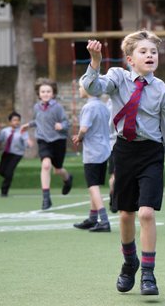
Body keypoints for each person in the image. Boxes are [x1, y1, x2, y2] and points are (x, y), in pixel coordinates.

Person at [83, 31, 165, 296]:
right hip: (124, 152)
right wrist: (95, 62)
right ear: (130, 59)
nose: (150, 55)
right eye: (143, 51)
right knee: (126, 214)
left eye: (154, 52)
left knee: (146, 213)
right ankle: (130, 263)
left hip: (151, 153)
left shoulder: (163, 91)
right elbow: (93, 88)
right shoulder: (117, 77)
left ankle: (148, 275)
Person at [21, 78, 73, 210]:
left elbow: (67, 123)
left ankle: (67, 179)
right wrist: (28, 125)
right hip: (43, 140)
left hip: (58, 141)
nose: (45, 94)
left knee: (58, 169)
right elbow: (38, 121)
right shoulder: (36, 107)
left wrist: (61, 125)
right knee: (45, 165)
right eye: (43, 91)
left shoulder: (58, 107)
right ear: (38, 93)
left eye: (48, 91)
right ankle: (46, 198)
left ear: (53, 93)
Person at [71, 82, 112, 232]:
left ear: (88, 89)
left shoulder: (89, 107)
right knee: (95, 184)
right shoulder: (103, 105)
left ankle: (104, 220)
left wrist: (79, 137)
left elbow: (84, 128)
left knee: (92, 185)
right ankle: (92, 218)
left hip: (93, 152)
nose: (80, 89)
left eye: (81, 87)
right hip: (104, 149)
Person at [0, 112, 32, 197]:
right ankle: (5, 173)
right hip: (6, 153)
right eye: (14, 120)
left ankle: (4, 192)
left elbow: (26, 142)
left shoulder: (22, 131)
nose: (17, 122)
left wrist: (28, 143)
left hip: (17, 154)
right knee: (2, 171)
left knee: (9, 172)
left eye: (18, 120)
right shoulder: (5, 131)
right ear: (10, 122)